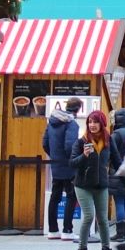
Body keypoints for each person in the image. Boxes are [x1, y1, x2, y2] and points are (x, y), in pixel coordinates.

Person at [74, 110, 114, 250]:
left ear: (102, 124)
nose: (92, 125)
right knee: (89, 216)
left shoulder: (108, 141)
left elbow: (116, 159)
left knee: (103, 219)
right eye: (90, 122)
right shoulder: (81, 142)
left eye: (95, 122)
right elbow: (72, 162)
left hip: (101, 185)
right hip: (83, 185)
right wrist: (83, 156)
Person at [42, 99, 81, 239]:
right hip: (68, 165)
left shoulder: (51, 122)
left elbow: (45, 143)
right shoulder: (71, 123)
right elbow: (70, 145)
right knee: (71, 197)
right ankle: (67, 230)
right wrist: (74, 159)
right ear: (78, 109)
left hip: (56, 164)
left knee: (55, 196)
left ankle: (53, 230)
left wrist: (54, 156)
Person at [107, 106, 125, 248]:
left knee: (119, 201)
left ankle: (119, 233)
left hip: (117, 171)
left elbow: (112, 154)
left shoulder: (115, 135)